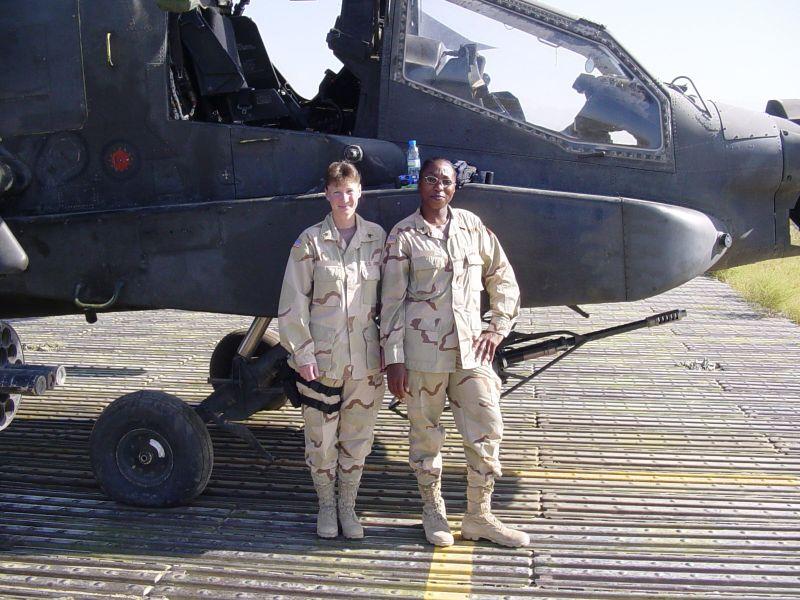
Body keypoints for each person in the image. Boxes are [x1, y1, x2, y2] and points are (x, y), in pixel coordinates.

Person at [380, 157, 529, 548]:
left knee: (488, 429)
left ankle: (479, 515)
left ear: (454, 187)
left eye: (445, 181)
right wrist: (393, 359)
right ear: (420, 186)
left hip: (471, 353)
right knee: (425, 437)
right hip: (421, 356)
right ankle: (434, 512)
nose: (438, 187)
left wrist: (497, 328)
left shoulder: (472, 226)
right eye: (431, 179)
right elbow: (391, 302)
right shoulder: (403, 236)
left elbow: (502, 276)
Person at [278, 161, 386, 539]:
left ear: (361, 192)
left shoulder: (377, 238)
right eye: (336, 192)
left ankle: (347, 507)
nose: (344, 199)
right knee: (321, 439)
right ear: (327, 194)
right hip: (322, 362)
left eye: (350, 191)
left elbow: (391, 301)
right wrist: (302, 353)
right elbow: (293, 301)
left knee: (357, 440)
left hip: (367, 362)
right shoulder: (309, 241)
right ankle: (325, 505)